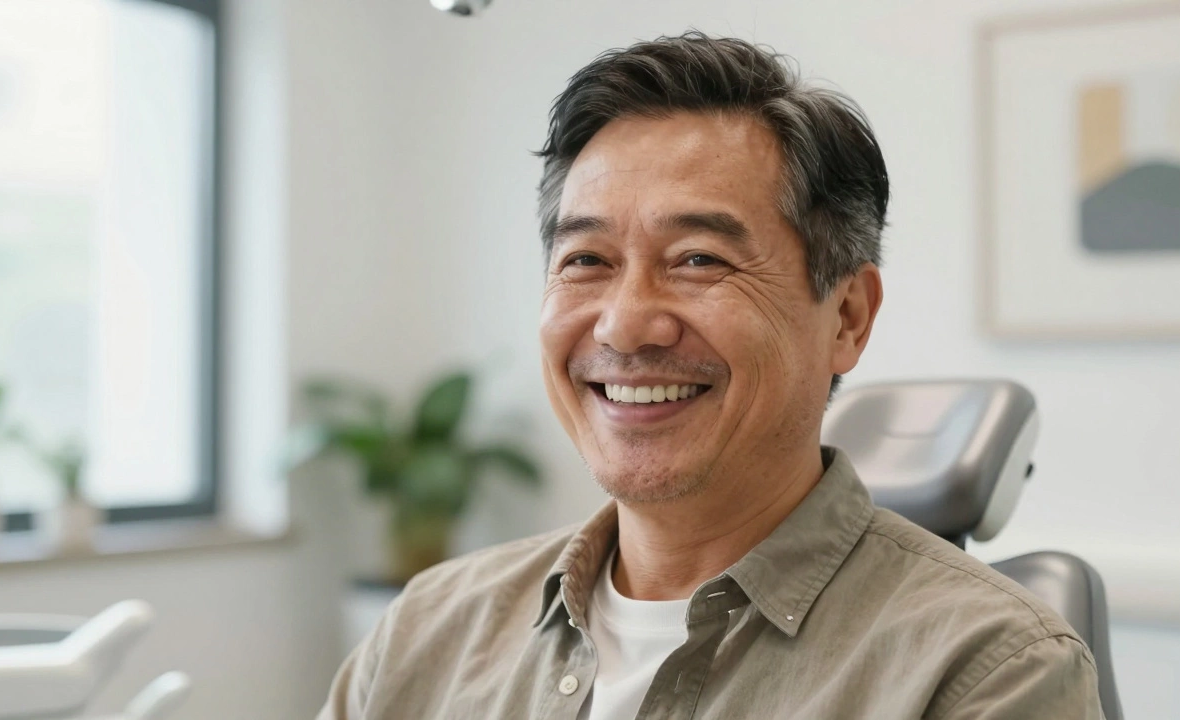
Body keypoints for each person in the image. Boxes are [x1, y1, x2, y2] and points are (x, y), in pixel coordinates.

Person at [317, 32, 1104, 719]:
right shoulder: (429, 629)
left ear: (848, 317)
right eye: (586, 260)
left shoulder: (989, 671)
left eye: (699, 260)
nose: (625, 324)